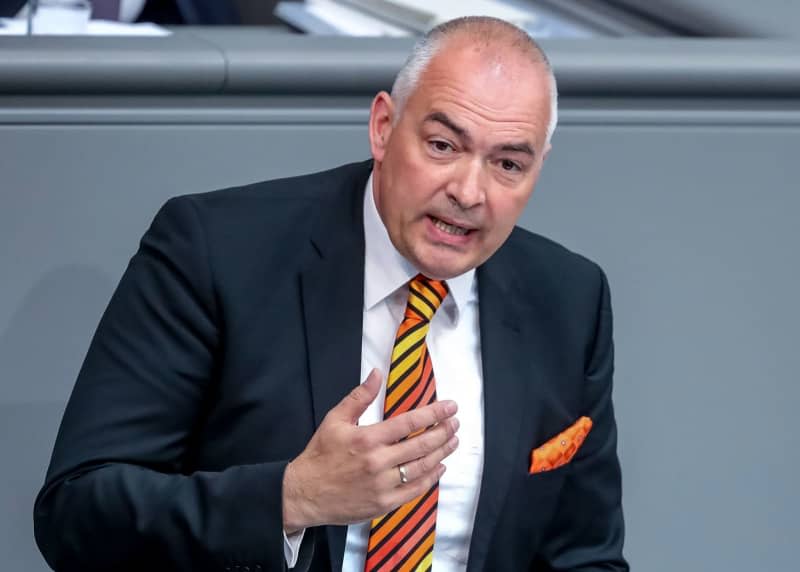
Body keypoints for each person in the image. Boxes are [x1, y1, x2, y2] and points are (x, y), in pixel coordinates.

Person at [34, 16, 627, 572]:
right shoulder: (217, 251)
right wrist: (293, 498)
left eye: (507, 164)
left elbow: (585, 556)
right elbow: (77, 512)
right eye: (443, 146)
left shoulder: (570, 300)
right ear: (383, 127)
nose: (470, 192)